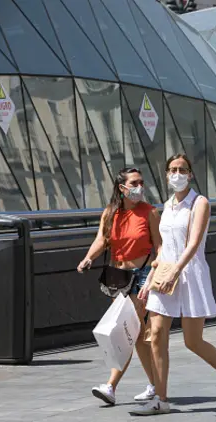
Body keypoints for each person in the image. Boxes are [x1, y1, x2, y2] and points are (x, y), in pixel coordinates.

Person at [133, 154, 216, 415]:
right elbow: (163, 248)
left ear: (191, 174)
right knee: (157, 334)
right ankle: (161, 398)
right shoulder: (167, 205)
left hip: (189, 274)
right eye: (172, 169)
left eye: (182, 169)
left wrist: (177, 271)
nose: (177, 174)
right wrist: (151, 278)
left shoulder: (199, 202)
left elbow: (193, 243)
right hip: (165, 275)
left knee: (192, 341)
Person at [77, 167, 161, 405]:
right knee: (137, 335)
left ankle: (111, 386)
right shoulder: (111, 213)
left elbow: (160, 246)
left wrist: (156, 272)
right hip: (118, 278)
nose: (139, 187)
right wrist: (88, 258)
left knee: (126, 330)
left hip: (142, 275)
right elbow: (102, 240)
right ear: (121, 188)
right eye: (134, 183)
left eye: (141, 182)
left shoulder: (150, 212)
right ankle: (155, 384)